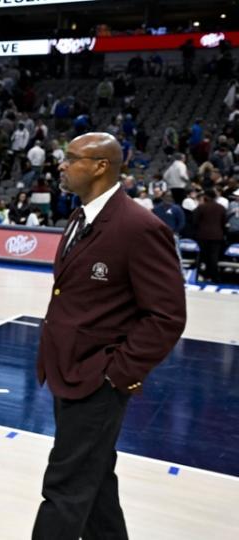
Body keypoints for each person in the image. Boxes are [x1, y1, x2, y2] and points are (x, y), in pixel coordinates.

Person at [33, 133, 186, 539]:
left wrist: (116, 373)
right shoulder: (80, 216)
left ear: (100, 166)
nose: (62, 165)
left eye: (71, 158)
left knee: (63, 490)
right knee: (96, 481)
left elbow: (167, 316)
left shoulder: (139, 227)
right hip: (67, 373)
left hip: (96, 380)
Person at [193, 189, 227, 283]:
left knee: (201, 257)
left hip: (202, 236)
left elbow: (195, 221)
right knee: (213, 257)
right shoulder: (221, 208)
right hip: (217, 236)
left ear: (206, 197)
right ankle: (215, 277)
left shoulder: (201, 207)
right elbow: (224, 222)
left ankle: (199, 275)